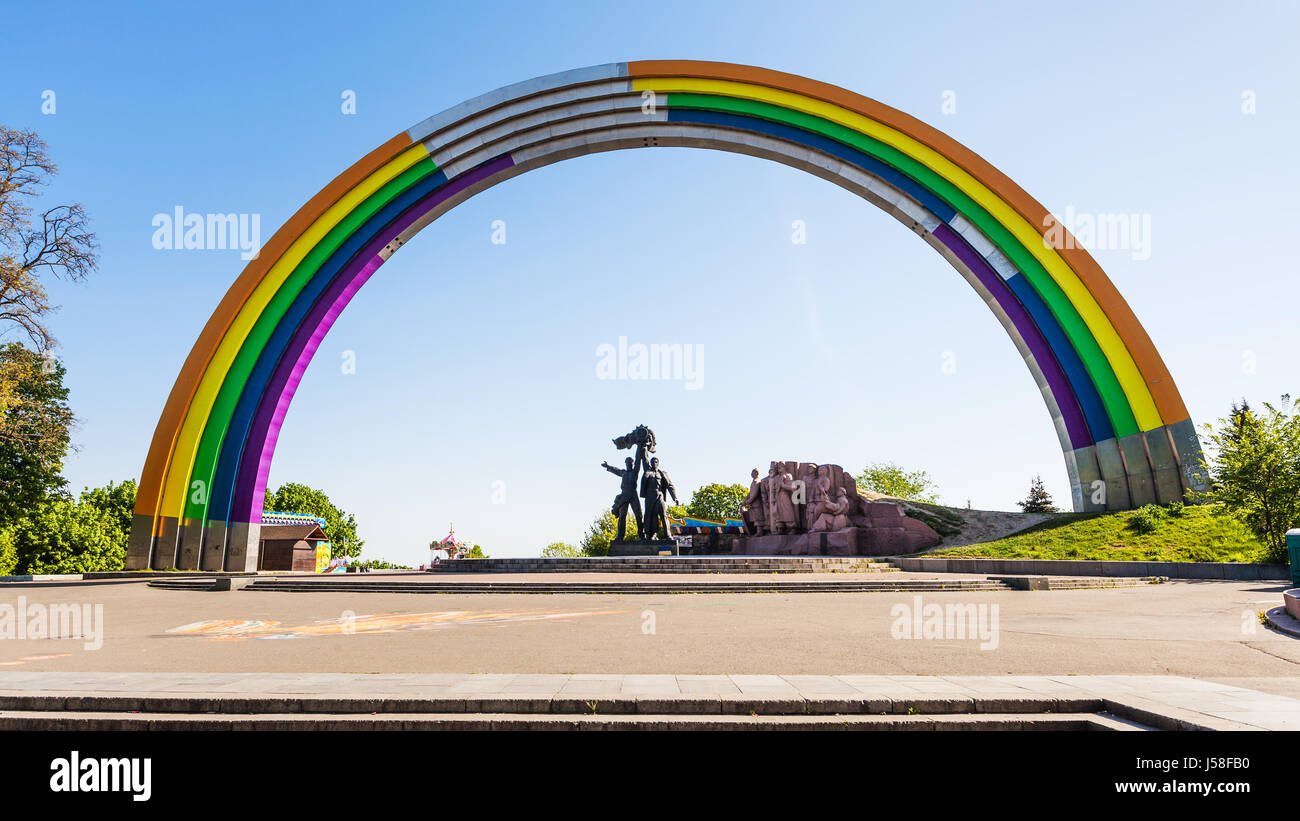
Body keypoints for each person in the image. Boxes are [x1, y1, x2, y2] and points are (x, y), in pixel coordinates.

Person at [601, 454, 644, 541]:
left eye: (631, 463)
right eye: (628, 463)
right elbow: (616, 470)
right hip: (624, 495)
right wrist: (608, 466)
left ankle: (642, 535)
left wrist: (640, 448)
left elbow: (638, 460)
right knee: (622, 516)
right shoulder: (623, 472)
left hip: (633, 494)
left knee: (638, 515)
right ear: (625, 464)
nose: (629, 464)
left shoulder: (635, 471)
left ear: (633, 464)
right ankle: (620, 536)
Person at [640, 456, 679, 540]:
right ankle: (651, 535)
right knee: (650, 516)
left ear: (658, 463)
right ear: (650, 463)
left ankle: (668, 535)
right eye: (652, 462)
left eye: (656, 462)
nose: (654, 463)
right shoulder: (647, 472)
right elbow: (644, 458)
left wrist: (675, 498)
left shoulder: (662, 473)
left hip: (659, 496)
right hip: (649, 497)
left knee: (663, 515)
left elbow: (670, 485)